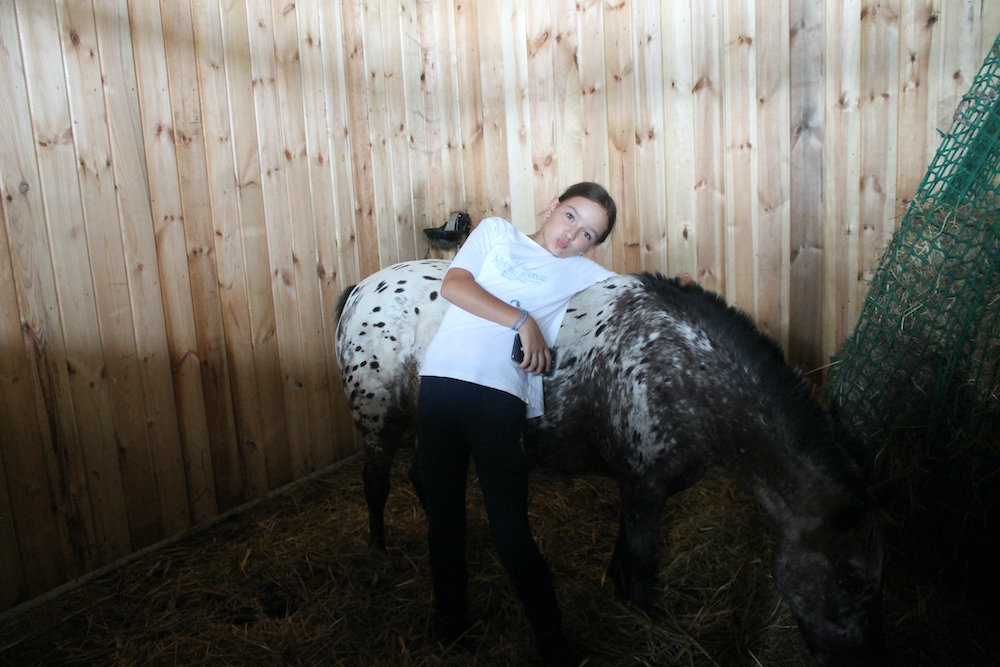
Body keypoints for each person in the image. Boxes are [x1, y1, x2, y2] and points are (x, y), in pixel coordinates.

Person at [417, 182, 617, 666]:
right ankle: (451, 625)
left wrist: (683, 288)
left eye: (588, 235)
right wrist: (523, 321)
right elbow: (454, 286)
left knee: (510, 531)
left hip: (498, 398)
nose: (572, 235)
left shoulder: (581, 271)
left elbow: (638, 292)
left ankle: (554, 644)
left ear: (592, 247)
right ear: (553, 205)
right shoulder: (496, 233)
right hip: (439, 384)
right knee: (444, 520)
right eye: (571, 217)